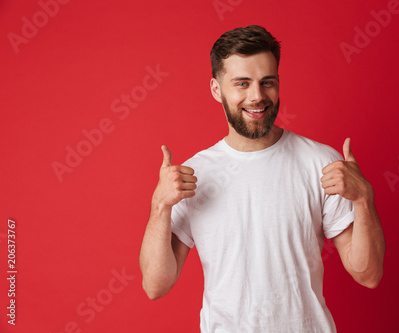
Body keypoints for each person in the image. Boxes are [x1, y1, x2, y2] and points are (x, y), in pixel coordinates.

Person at [139, 25, 385, 332]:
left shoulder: (322, 163)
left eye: (267, 82)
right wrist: (159, 206)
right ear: (217, 89)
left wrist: (364, 199)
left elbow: (368, 274)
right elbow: (155, 285)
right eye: (242, 83)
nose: (257, 97)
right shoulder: (193, 176)